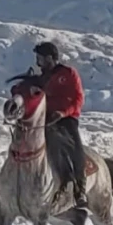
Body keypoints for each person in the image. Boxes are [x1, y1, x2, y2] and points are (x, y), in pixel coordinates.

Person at [17, 41, 88, 212]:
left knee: (75, 149)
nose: (38, 62)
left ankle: (79, 187)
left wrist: (63, 113)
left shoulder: (68, 73)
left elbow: (78, 98)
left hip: (65, 118)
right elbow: (19, 91)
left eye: (40, 58)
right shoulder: (39, 79)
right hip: (43, 119)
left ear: (50, 58)